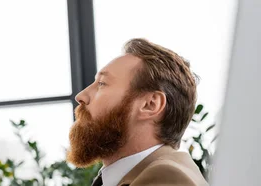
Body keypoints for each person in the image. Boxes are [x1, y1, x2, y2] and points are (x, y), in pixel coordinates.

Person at [67, 38, 208, 186]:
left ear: (150, 105)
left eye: (102, 83)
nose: (81, 96)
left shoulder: (166, 178)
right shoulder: (129, 175)